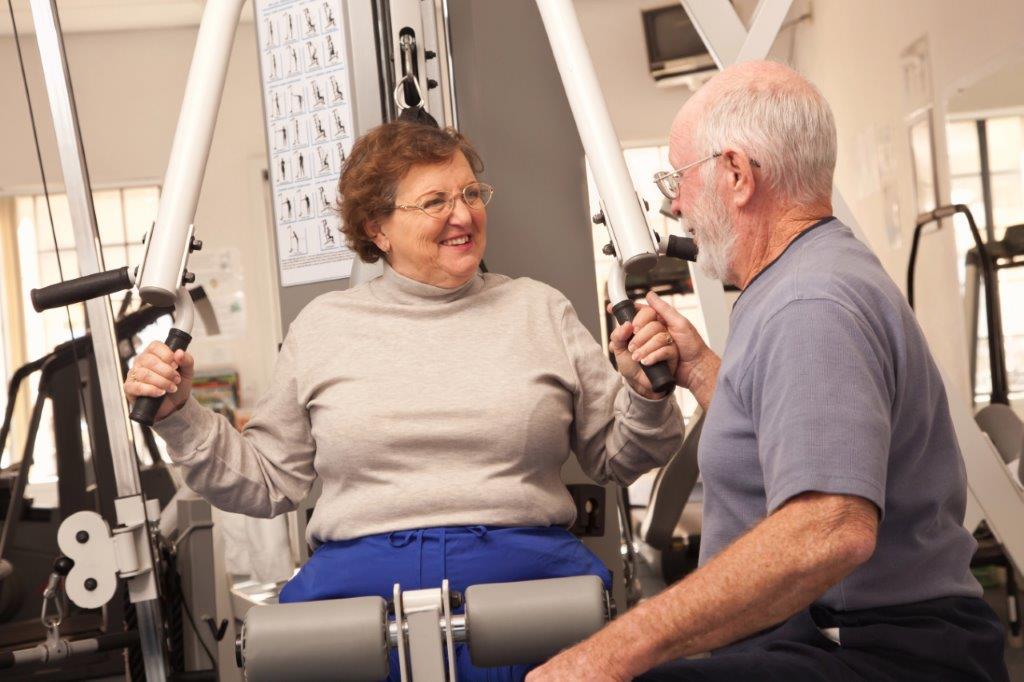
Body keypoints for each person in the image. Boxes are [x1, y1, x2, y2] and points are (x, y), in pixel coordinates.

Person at [124, 122, 684, 681]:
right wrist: (181, 418)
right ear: (378, 228)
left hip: (524, 584)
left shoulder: (540, 310)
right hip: (357, 593)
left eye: (469, 194)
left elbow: (620, 456)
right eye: (434, 201)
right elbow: (268, 481)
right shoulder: (324, 327)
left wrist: (644, 392)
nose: (462, 215)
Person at [528, 61, 1009, 681]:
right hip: (827, 642)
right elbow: (786, 428)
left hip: (869, 653)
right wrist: (701, 369)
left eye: (679, 178)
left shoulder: (811, 302)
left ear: (736, 174)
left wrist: (609, 653)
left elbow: (829, 531)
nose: (676, 205)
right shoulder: (799, 278)